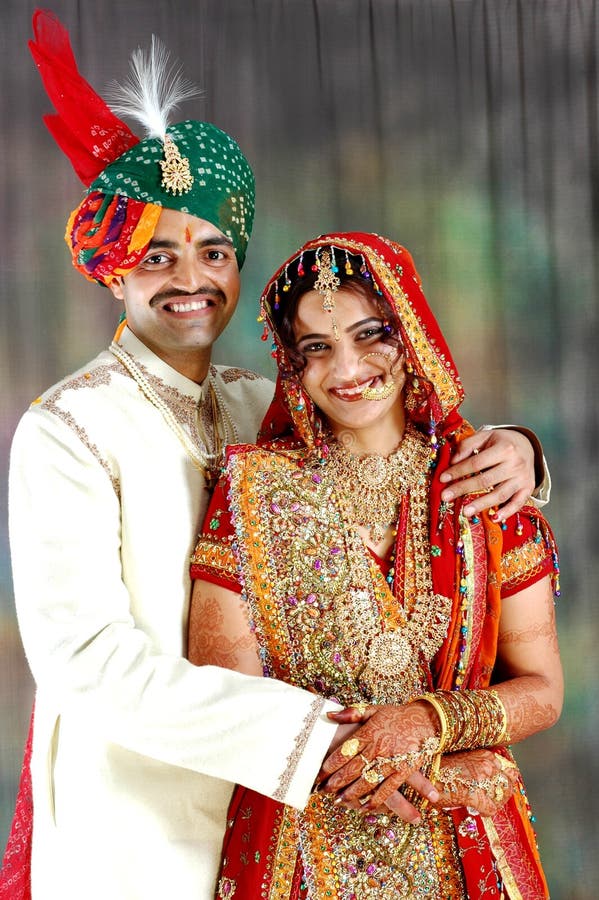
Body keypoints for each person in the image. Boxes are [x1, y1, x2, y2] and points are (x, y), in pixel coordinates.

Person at [1, 10, 550, 900]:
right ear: (111, 269)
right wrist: (324, 740)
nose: (190, 278)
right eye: (157, 254)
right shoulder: (69, 426)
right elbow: (89, 663)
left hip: (295, 822)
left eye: (213, 251)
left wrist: (518, 453)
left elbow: (400, 432)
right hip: (144, 818)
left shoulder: (260, 401)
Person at [189, 232, 563, 899]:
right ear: (291, 365)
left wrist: (427, 722)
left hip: (465, 846)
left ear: (411, 335)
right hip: (300, 846)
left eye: (370, 336)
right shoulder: (253, 493)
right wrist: (401, 767)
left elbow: (540, 688)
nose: (346, 369)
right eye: (316, 348)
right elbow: (224, 693)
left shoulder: (488, 487)